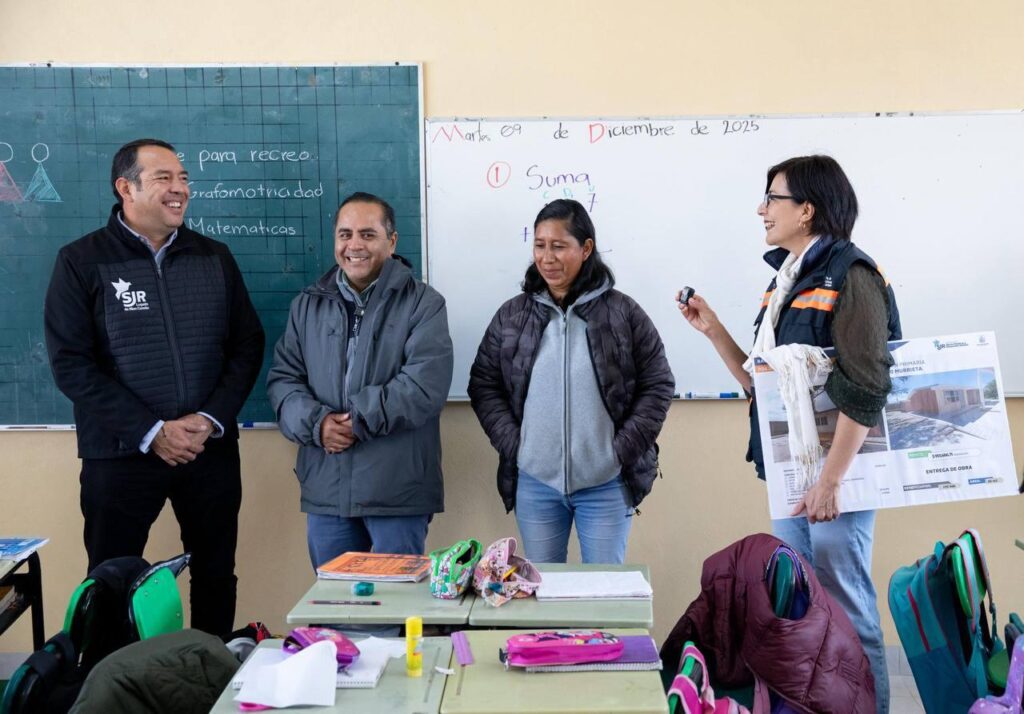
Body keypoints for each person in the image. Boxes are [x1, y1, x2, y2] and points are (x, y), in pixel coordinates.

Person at [678, 155, 900, 713]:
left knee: (846, 607)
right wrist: (714, 331)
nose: (762, 209)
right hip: (792, 475)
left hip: (837, 478)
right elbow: (764, 385)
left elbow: (867, 387)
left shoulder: (853, 276)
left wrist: (830, 483)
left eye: (772, 198)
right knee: (800, 609)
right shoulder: (785, 281)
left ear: (807, 209)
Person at [44, 138, 265, 637]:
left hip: (207, 450)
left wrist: (209, 419)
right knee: (112, 581)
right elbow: (71, 365)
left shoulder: (215, 257)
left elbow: (247, 345)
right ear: (126, 188)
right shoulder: (81, 261)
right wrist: (150, 430)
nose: (179, 188)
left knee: (215, 574)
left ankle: (209, 669)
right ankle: (111, 676)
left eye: (183, 178)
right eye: (164, 178)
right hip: (119, 455)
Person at [468, 199, 674, 564]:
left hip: (606, 482)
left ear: (586, 248)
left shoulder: (623, 312)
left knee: (605, 587)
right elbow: (484, 384)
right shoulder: (512, 316)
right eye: (540, 245)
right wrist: (518, 446)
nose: (547, 258)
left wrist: (619, 452)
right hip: (536, 483)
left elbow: (657, 384)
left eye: (559, 246)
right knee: (542, 587)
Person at [267, 192, 453, 570]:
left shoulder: (424, 303)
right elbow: (283, 381)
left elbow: (424, 387)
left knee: (396, 604)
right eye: (345, 234)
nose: (354, 245)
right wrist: (318, 424)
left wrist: (356, 421)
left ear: (392, 242)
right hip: (327, 492)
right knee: (336, 603)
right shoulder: (307, 305)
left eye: (368, 235)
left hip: (397, 493)